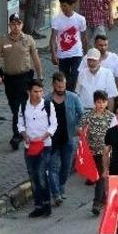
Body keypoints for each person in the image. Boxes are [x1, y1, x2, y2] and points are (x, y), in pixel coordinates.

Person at [0, 14, 43, 151]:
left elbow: (35, 58)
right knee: (14, 106)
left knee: (19, 107)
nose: (16, 26)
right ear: (9, 25)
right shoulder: (3, 40)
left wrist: (40, 76)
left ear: (22, 25)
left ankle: (16, 135)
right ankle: (23, 129)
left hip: (24, 78)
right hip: (9, 80)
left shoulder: (28, 39)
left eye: (18, 24)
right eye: (13, 24)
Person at [16, 79, 57, 218]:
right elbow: (20, 124)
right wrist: (24, 135)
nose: (38, 94)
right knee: (33, 176)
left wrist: (43, 136)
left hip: (45, 145)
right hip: (29, 146)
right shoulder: (23, 106)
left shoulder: (48, 105)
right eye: (35, 91)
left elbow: (54, 125)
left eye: (40, 91)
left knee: (40, 173)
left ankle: (47, 204)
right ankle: (38, 205)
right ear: (29, 92)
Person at [46, 72, 84, 207]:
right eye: (58, 87)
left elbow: (82, 114)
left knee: (66, 167)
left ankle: (61, 186)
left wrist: (77, 127)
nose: (61, 89)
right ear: (53, 85)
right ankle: (56, 194)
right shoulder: (46, 100)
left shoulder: (73, 97)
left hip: (68, 138)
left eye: (63, 87)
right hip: (52, 140)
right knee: (53, 167)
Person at [81, 91, 115, 214]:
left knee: (101, 176)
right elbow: (80, 128)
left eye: (103, 102)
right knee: (97, 176)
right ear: (94, 102)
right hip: (91, 151)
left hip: (105, 152)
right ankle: (104, 199)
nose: (101, 105)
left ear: (107, 103)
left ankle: (96, 203)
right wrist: (81, 132)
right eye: (98, 102)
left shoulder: (111, 117)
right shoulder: (88, 115)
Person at [50, 0, 87, 91]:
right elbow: (53, 38)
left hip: (76, 53)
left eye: (65, 6)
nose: (63, 8)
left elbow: (84, 37)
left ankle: (71, 94)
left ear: (72, 5)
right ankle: (66, 94)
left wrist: (86, 53)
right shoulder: (56, 20)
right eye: (61, 6)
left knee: (75, 76)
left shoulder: (80, 19)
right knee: (63, 78)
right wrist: (53, 54)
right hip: (62, 54)